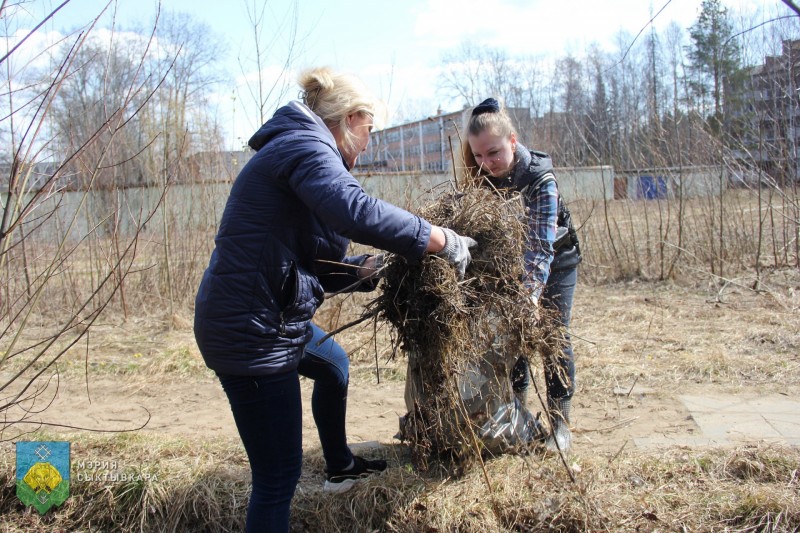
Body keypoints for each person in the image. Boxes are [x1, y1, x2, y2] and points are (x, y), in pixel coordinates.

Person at [193, 66, 476, 532]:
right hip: (252, 334)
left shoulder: (301, 152)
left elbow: (310, 261)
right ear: (350, 119)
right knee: (277, 476)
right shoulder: (305, 146)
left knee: (334, 365)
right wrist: (437, 238)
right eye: (370, 130)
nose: (369, 143)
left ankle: (340, 465)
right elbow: (354, 210)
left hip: (267, 318)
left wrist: (371, 269)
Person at [462, 97, 581, 454]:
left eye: (494, 153)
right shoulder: (483, 174)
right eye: (479, 156)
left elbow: (540, 248)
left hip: (556, 260)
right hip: (510, 263)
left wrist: (528, 296)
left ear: (513, 141)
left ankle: (561, 426)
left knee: (553, 337)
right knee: (512, 338)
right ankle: (518, 415)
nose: (487, 163)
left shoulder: (540, 179)